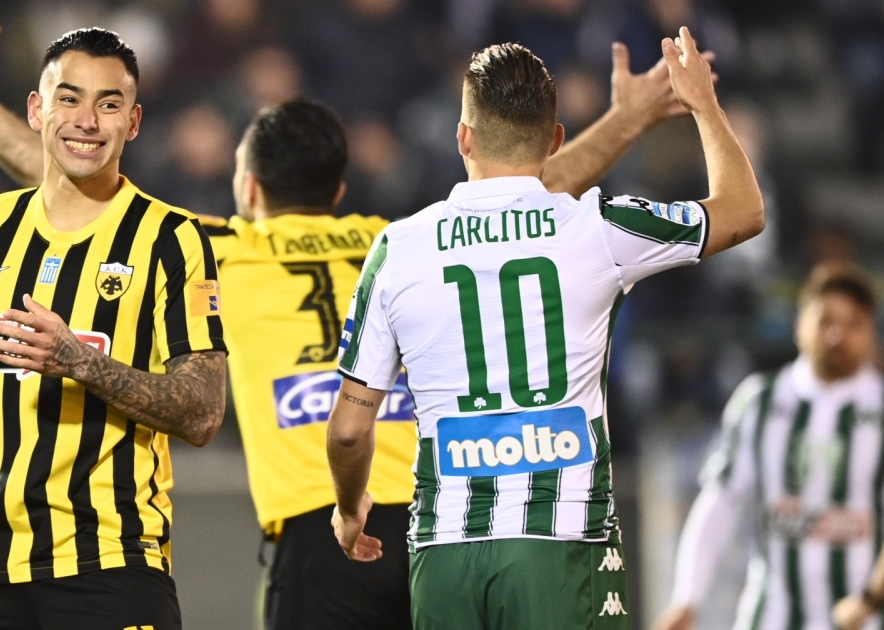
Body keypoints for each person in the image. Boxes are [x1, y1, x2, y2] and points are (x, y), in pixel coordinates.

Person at [0, 12, 713, 630]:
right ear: (339, 191)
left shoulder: (224, 250)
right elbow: (531, 183)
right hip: (440, 521)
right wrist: (630, 120)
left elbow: (70, 185)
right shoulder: (403, 241)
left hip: (326, 527)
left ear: (250, 191)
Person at [327, 30, 764, 629]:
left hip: (444, 550)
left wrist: (349, 508)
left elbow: (349, 431)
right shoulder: (597, 228)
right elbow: (743, 211)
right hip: (562, 543)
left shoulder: (397, 249)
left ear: (462, 137)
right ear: (556, 138)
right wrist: (704, 107)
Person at [0, 29, 227, 630]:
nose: (87, 121)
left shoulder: (171, 238)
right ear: (36, 109)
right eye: (69, 99)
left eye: (109, 103)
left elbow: (202, 411)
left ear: (134, 121)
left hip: (111, 562)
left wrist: (80, 361)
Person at [655, 262, 883, 630]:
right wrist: (687, 597)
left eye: (853, 323)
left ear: (870, 332)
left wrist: (871, 599)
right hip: (770, 617)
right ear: (800, 324)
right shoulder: (758, 401)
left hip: (861, 619)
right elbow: (721, 501)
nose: (837, 335)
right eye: (826, 320)